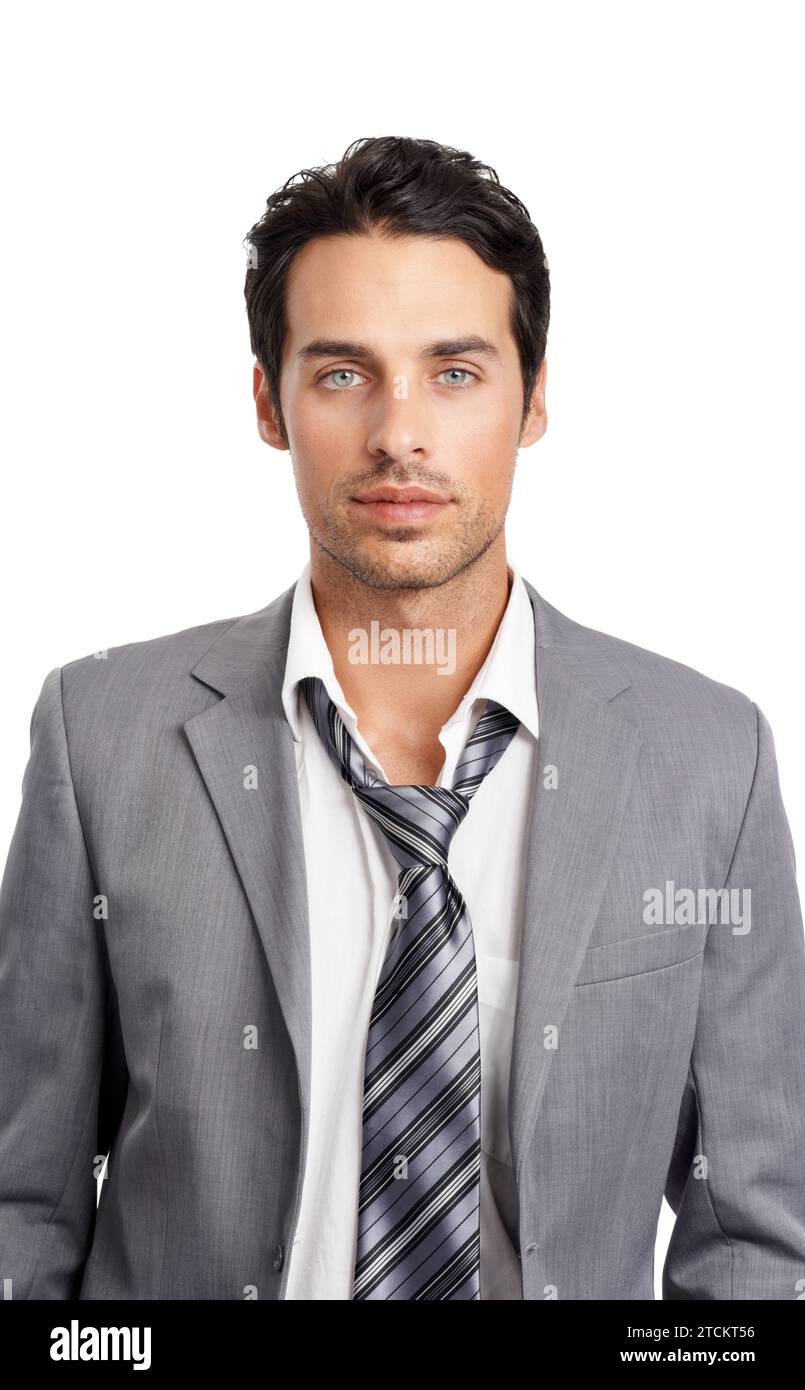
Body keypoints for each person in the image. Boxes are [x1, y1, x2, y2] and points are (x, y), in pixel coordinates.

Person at [1, 135, 803, 1301]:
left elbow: (759, 1229)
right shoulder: (101, 737)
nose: (398, 434)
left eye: (455, 372)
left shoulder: (706, 759)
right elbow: (24, 1197)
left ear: (534, 398)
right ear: (270, 403)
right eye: (341, 373)